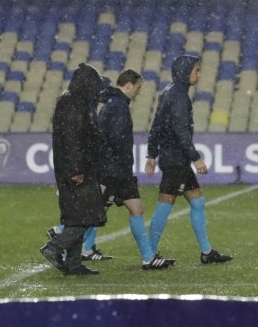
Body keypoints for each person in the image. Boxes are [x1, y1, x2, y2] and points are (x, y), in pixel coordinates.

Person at [144, 54, 233, 264]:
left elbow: (156, 125)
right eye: (196, 70)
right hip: (176, 160)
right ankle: (149, 255)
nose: (199, 74)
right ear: (185, 72)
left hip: (174, 159)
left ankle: (206, 252)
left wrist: (152, 154)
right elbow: (180, 132)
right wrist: (196, 158)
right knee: (165, 205)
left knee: (197, 201)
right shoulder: (179, 97)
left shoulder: (168, 92)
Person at [97, 69, 175, 270]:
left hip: (118, 171)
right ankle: (60, 236)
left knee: (136, 208)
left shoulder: (115, 104)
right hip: (113, 171)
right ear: (128, 85)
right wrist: (118, 163)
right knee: (92, 213)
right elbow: (115, 140)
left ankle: (148, 258)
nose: (139, 92)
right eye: (138, 87)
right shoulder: (117, 106)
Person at [39, 63, 107, 276]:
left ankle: (73, 264)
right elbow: (72, 140)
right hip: (77, 171)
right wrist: (77, 169)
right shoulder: (74, 104)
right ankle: (55, 247)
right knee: (87, 216)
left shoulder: (74, 101)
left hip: (78, 168)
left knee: (76, 217)